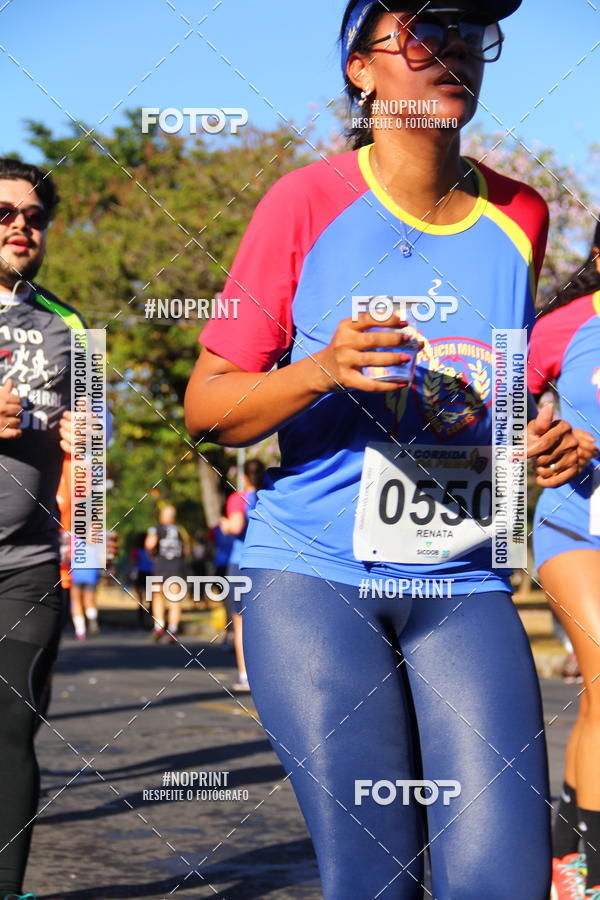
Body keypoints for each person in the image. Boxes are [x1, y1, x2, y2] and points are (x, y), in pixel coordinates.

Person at [185, 2, 583, 896]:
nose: (451, 50)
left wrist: (536, 434)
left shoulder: (521, 213)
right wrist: (320, 370)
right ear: (360, 70)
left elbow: (492, 383)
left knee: (502, 882)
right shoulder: (305, 202)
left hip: (464, 581)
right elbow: (208, 407)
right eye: (420, 33)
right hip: (317, 580)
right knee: (378, 880)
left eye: (469, 33)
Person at [0, 158, 86, 899]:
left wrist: (91, 442)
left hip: (27, 564)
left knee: (12, 725)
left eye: (33, 217)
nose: (21, 227)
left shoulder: (70, 325)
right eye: (4, 213)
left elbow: (93, 442)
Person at [528, 220, 600, 899]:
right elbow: (491, 404)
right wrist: (538, 437)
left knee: (596, 703)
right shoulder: (567, 325)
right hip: (575, 528)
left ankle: (567, 856)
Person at [219, 458, 265, 691]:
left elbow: (236, 526)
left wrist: (224, 524)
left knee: (240, 623)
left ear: (245, 476)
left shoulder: (239, 498)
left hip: (241, 563)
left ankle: (245, 676)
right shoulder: (269, 497)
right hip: (265, 564)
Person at [145, 505, 190, 642]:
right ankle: (173, 629)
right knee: (175, 599)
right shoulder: (180, 530)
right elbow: (186, 550)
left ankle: (159, 626)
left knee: (158, 596)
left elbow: (150, 544)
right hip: (176, 566)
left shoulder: (156, 529)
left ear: (161, 516)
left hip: (161, 566)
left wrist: (151, 555)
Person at [129, 531, 154, 629]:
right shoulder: (151, 551)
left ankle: (141, 618)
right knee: (151, 598)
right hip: (150, 573)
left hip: (140, 574)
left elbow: (133, 563)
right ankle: (151, 617)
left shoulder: (136, 551)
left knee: (140, 598)